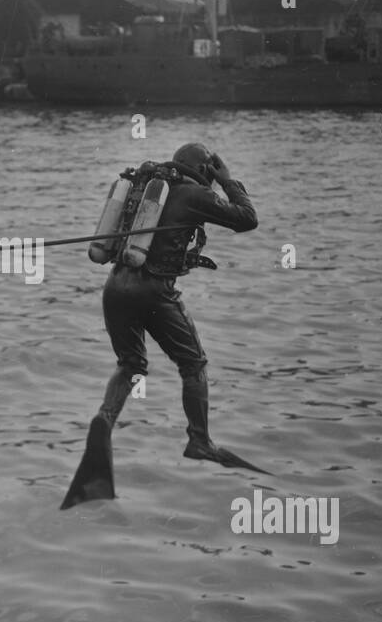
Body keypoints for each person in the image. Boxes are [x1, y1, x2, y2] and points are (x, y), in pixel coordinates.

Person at [64, 143, 258, 508]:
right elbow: (247, 219)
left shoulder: (143, 186)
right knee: (194, 364)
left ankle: (105, 419)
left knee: (131, 365)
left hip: (115, 287)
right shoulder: (194, 193)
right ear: (205, 171)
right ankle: (199, 440)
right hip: (152, 292)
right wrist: (229, 181)